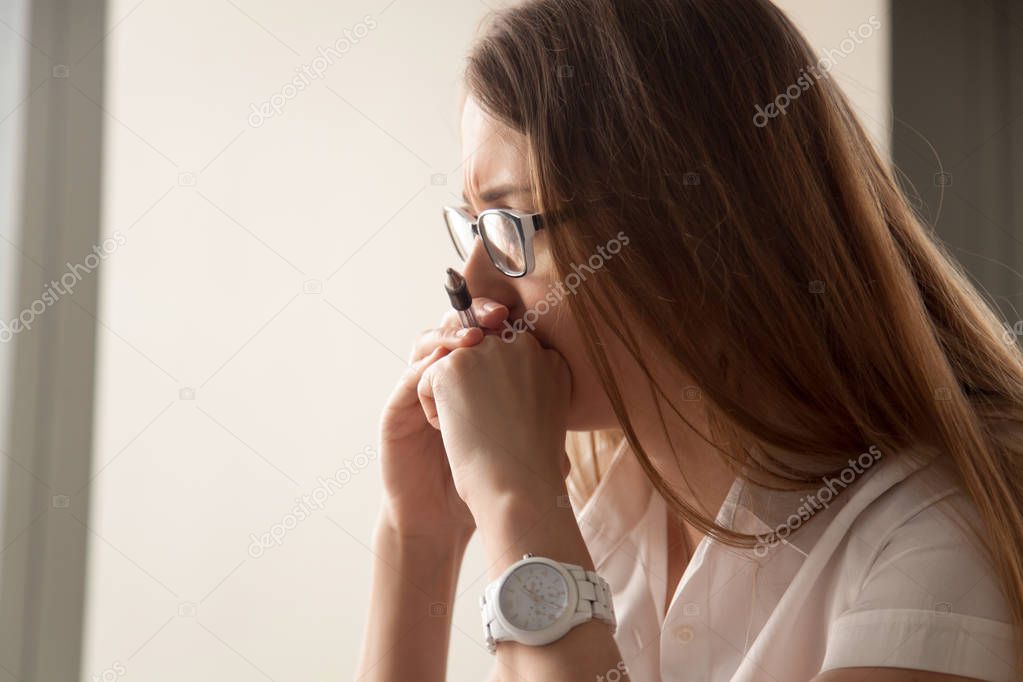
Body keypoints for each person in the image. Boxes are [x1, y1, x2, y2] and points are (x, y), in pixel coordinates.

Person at [357, 1, 1022, 679]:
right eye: (475, 228)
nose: (472, 288)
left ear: (691, 229)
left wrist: (515, 501)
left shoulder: (934, 541)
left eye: (511, 228)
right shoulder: (604, 529)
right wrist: (418, 540)